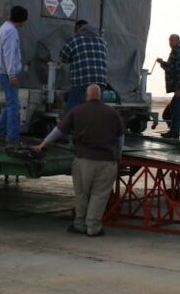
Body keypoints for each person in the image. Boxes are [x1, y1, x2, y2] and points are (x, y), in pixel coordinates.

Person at [32, 83, 124, 237]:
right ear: (100, 96)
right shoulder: (112, 112)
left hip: (83, 161)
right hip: (106, 161)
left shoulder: (77, 110)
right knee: (99, 195)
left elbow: (59, 130)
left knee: (81, 194)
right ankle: (93, 227)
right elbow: (120, 136)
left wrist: (43, 143)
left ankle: (79, 224)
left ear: (86, 95)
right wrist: (119, 154)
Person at [0, 6, 28, 150]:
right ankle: (12, 137)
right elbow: (9, 54)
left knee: (10, 104)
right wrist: (12, 74)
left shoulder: (4, 28)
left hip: (3, 72)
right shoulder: (11, 32)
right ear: (21, 19)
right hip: (8, 74)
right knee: (14, 105)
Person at [58, 19, 108, 116]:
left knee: (71, 111)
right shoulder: (102, 41)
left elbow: (63, 57)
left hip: (82, 81)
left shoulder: (75, 40)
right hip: (100, 81)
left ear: (77, 29)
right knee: (96, 111)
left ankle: (68, 130)